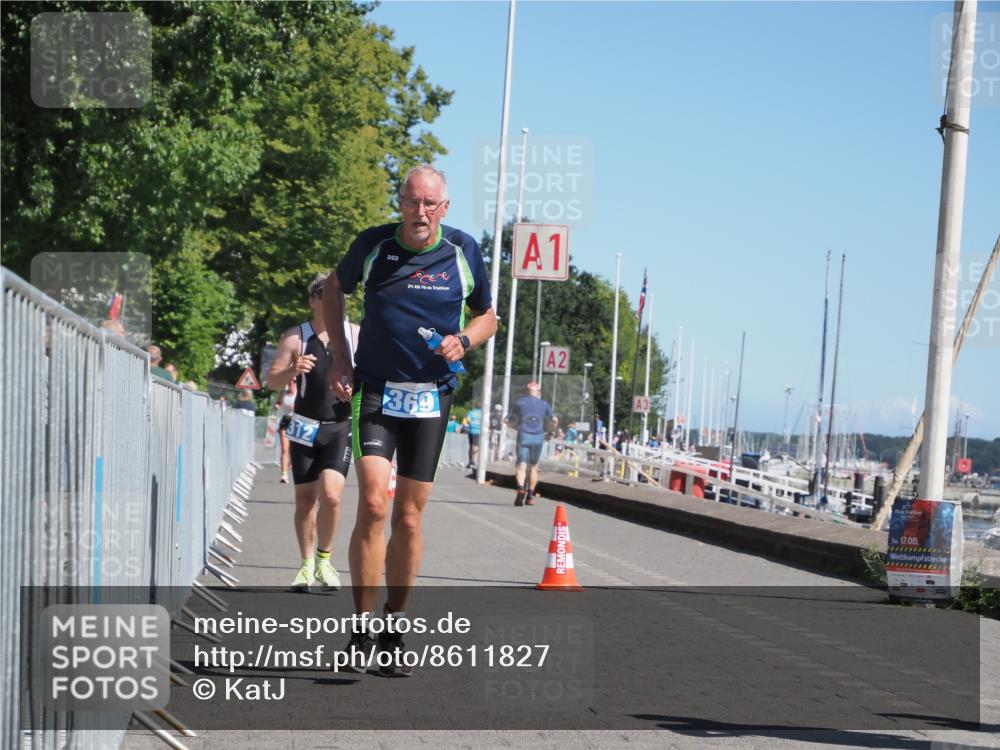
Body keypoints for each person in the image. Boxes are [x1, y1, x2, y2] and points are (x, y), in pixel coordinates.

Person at [322, 164, 496, 676]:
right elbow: (335, 289)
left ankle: (393, 627)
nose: (420, 212)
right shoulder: (374, 245)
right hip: (375, 390)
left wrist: (464, 341)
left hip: (430, 397)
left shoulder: (464, 251)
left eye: (430, 204)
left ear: (445, 208)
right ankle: (360, 625)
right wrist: (339, 357)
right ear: (399, 202)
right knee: (375, 503)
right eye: (411, 201)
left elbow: (488, 315)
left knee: (410, 517)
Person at [266, 272, 358, 592]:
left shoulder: (355, 335)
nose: (331, 297)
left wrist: (356, 390)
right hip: (304, 426)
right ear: (312, 300)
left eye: (338, 292)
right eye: (323, 292)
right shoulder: (295, 337)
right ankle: (305, 566)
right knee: (306, 499)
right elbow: (272, 381)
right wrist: (293, 369)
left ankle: (324, 559)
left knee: (331, 495)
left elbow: (373, 378)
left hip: (339, 426)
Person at [507, 382, 557, 507]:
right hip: (538, 437)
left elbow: (507, 420)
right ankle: (530, 496)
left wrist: (513, 428)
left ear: (527, 392)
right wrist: (551, 432)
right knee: (533, 467)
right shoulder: (544, 404)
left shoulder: (519, 402)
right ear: (538, 392)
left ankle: (520, 488)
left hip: (523, 435)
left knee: (521, 465)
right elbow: (554, 420)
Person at [273, 379, 298, 483]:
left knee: (296, 449)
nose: (291, 383)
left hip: (297, 421)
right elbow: (277, 403)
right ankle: (284, 475)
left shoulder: (299, 393)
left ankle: (299, 472)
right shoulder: (283, 393)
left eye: (294, 381)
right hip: (286, 421)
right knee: (284, 448)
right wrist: (276, 406)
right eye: (289, 381)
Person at [465, 402, 483, 469]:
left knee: (471, 446)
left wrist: (472, 424)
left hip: (471, 430)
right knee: (476, 447)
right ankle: (473, 460)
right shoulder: (483, 413)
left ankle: (471, 460)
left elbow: (468, 420)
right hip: (479, 431)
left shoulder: (471, 412)